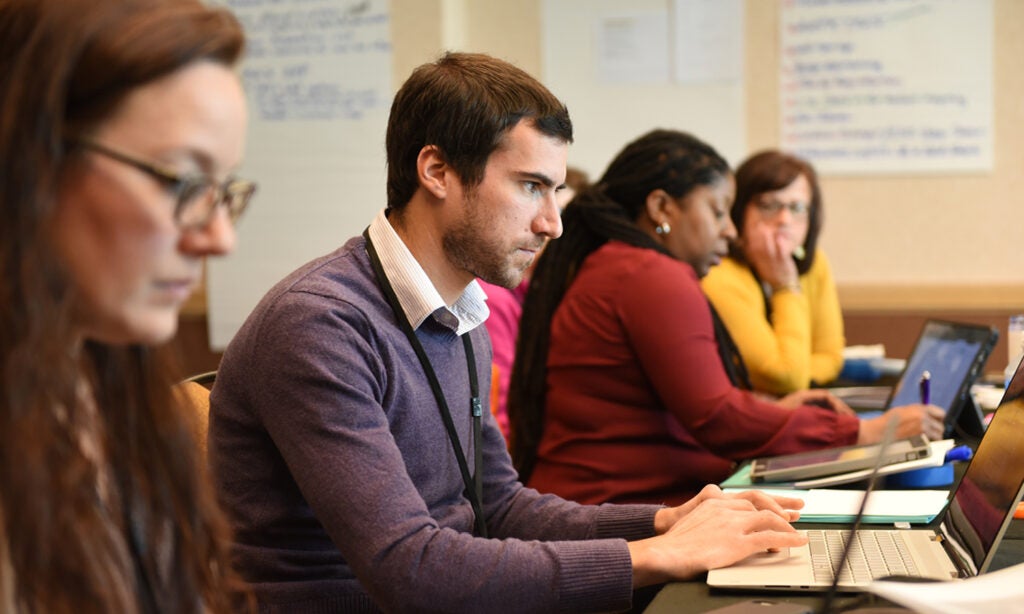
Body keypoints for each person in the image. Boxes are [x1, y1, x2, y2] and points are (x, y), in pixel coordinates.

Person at [209, 52, 811, 613]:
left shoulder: (462, 313)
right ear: (437, 170)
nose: (551, 223)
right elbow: (408, 568)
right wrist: (651, 557)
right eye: (530, 187)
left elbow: (497, 506)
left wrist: (664, 523)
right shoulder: (320, 325)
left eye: (556, 192)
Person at [509, 130, 944, 506]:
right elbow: (718, 420)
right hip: (613, 518)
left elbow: (696, 406)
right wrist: (864, 433)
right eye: (718, 212)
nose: (730, 231)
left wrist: (768, 410)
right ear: (662, 208)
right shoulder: (649, 275)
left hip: (605, 505)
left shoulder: (623, 265)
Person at [0, 0, 257, 611]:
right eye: (181, 181)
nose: (220, 237)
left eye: (222, 190)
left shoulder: (101, 385)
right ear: (33, 161)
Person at [701, 150, 844, 395]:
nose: (784, 219)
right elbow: (783, 375)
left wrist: (797, 377)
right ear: (738, 211)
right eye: (769, 206)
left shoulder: (814, 263)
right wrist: (785, 287)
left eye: (797, 207)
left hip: (797, 404)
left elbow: (830, 356)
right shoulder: (718, 275)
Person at [479, 166, 589, 441]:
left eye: (567, 221)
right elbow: (499, 405)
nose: (554, 228)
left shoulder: (554, 298)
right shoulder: (495, 295)